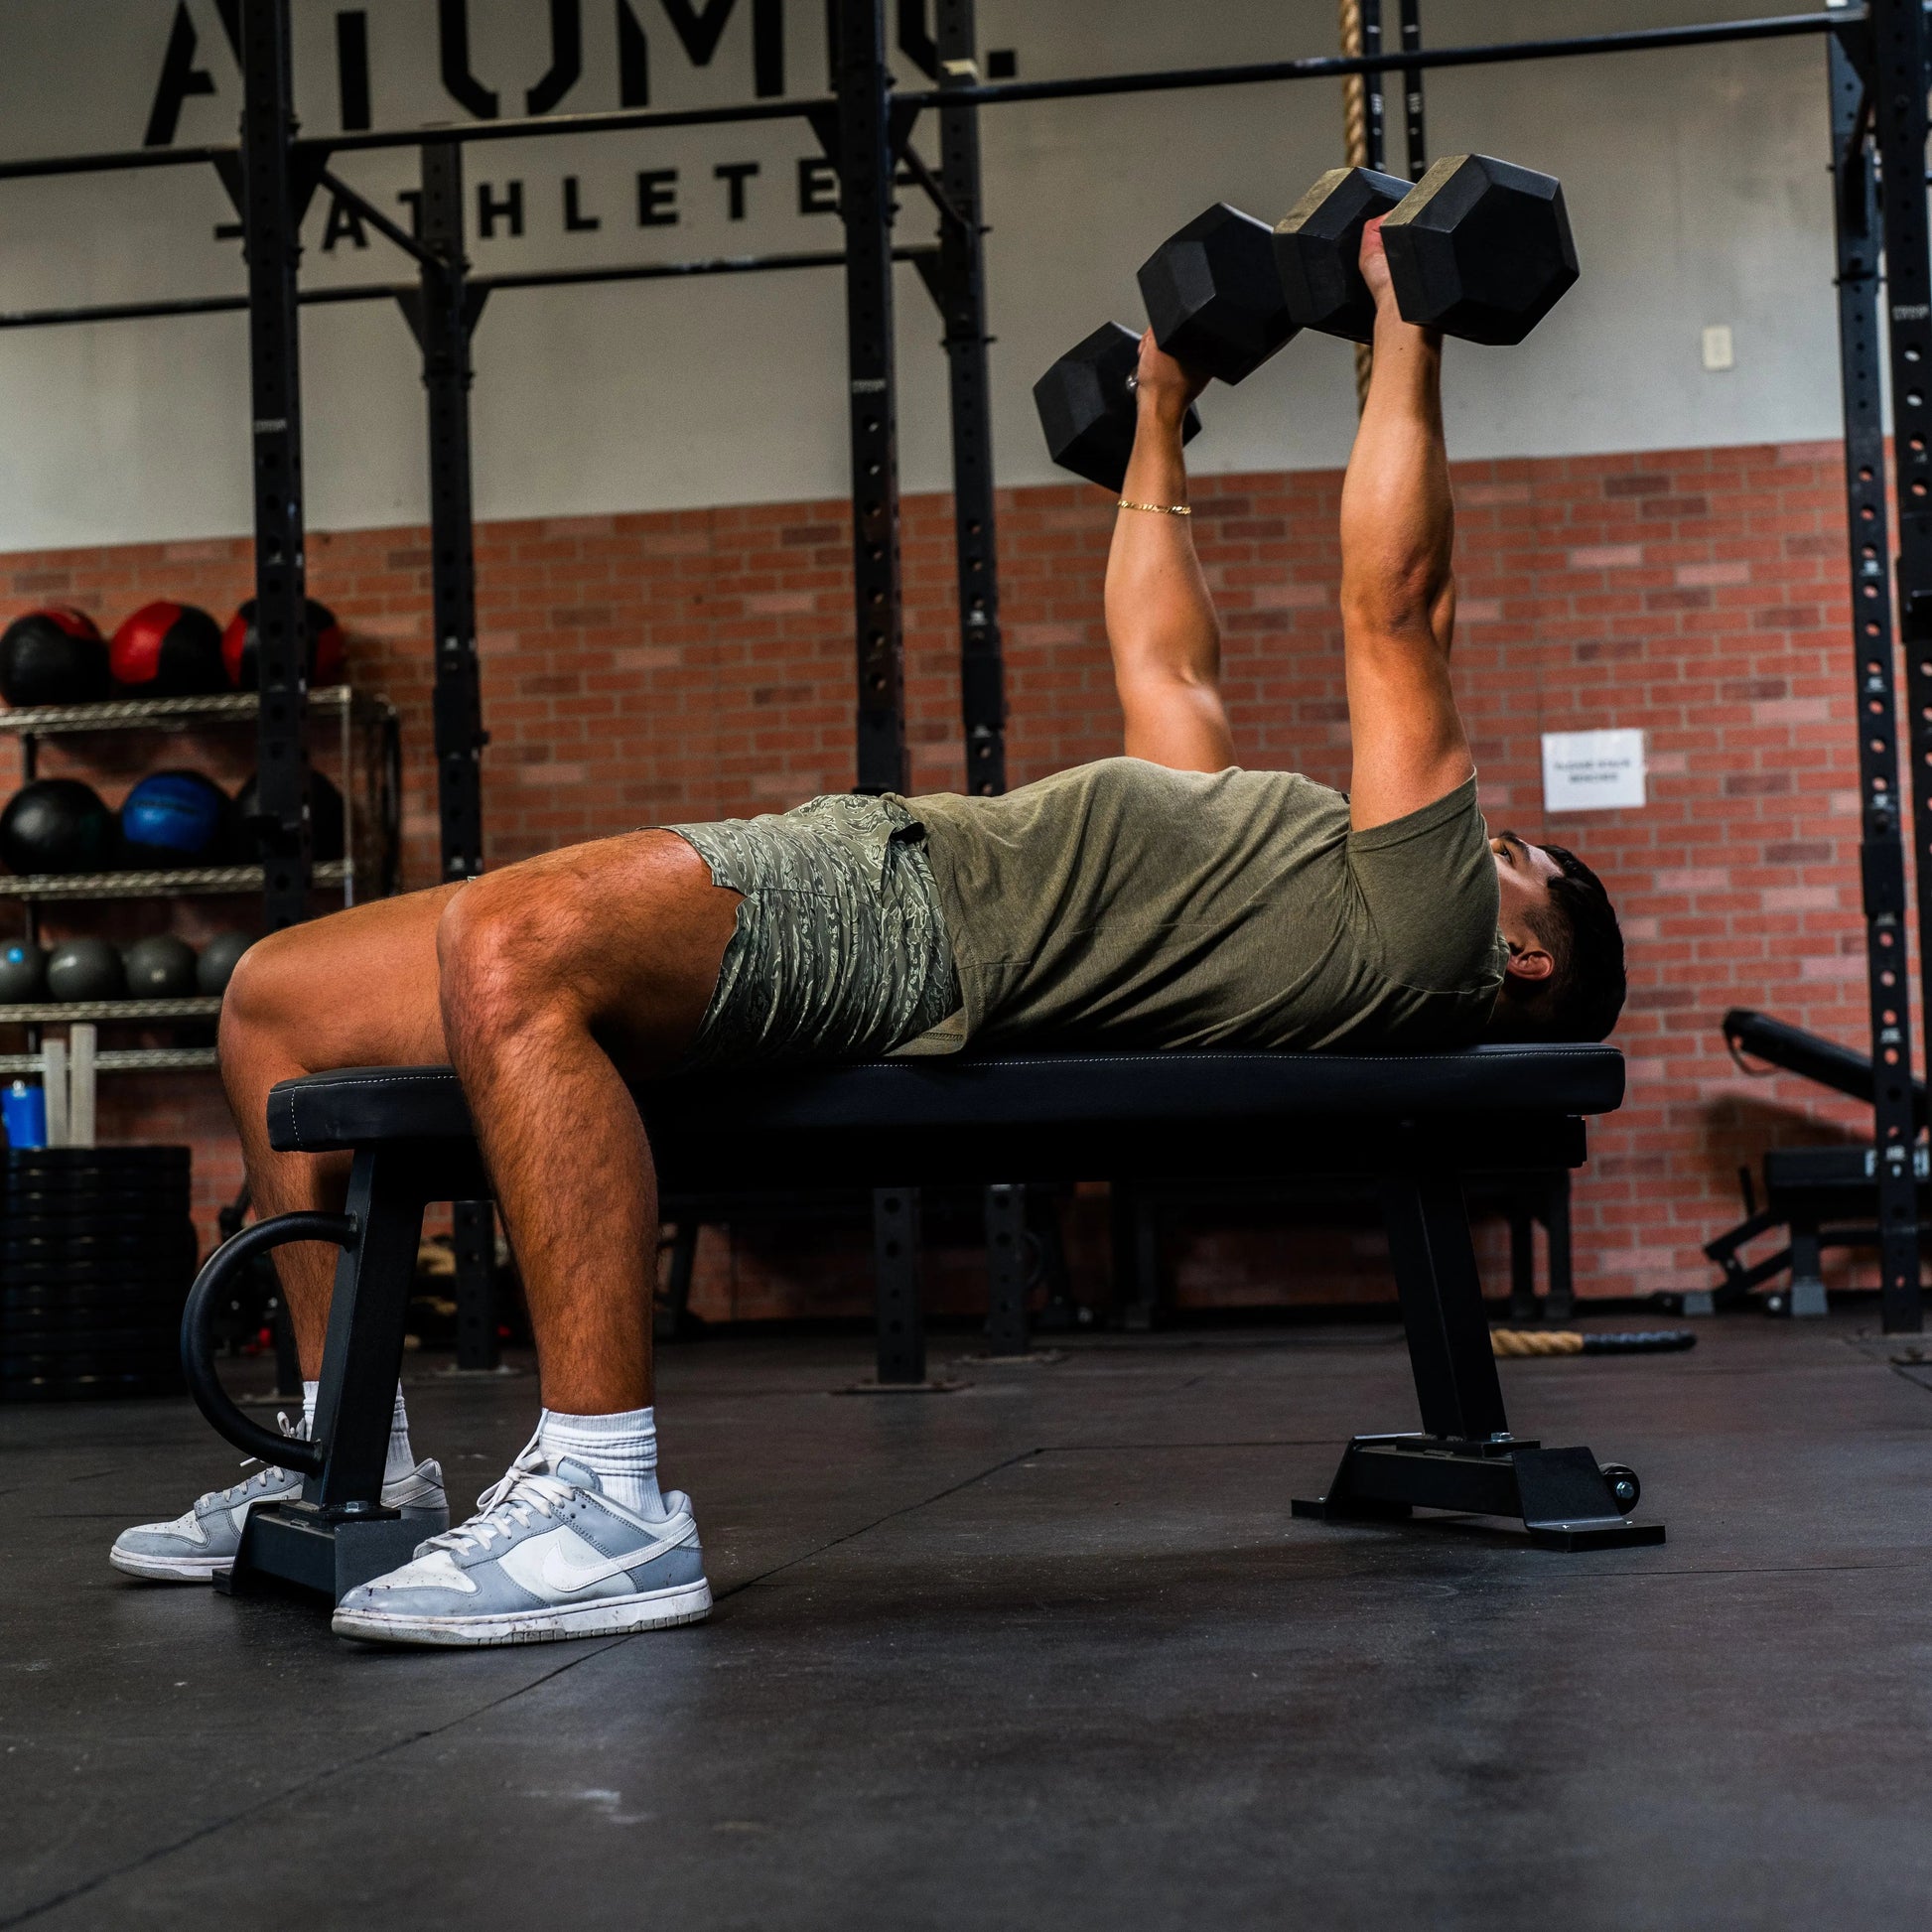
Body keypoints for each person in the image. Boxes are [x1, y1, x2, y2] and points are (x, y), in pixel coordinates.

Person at [111, 219, 1623, 1646]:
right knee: (273, 996)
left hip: (924, 918)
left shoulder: (1430, 938)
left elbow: (1397, 607)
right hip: (893, 861)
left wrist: (1405, 328)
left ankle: (606, 1498)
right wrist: (1160, 412)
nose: (1471, 830)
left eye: (1511, 853)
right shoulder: (1279, 872)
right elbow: (1168, 663)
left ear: (1526, 956)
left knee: (515, 945)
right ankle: (345, 1454)